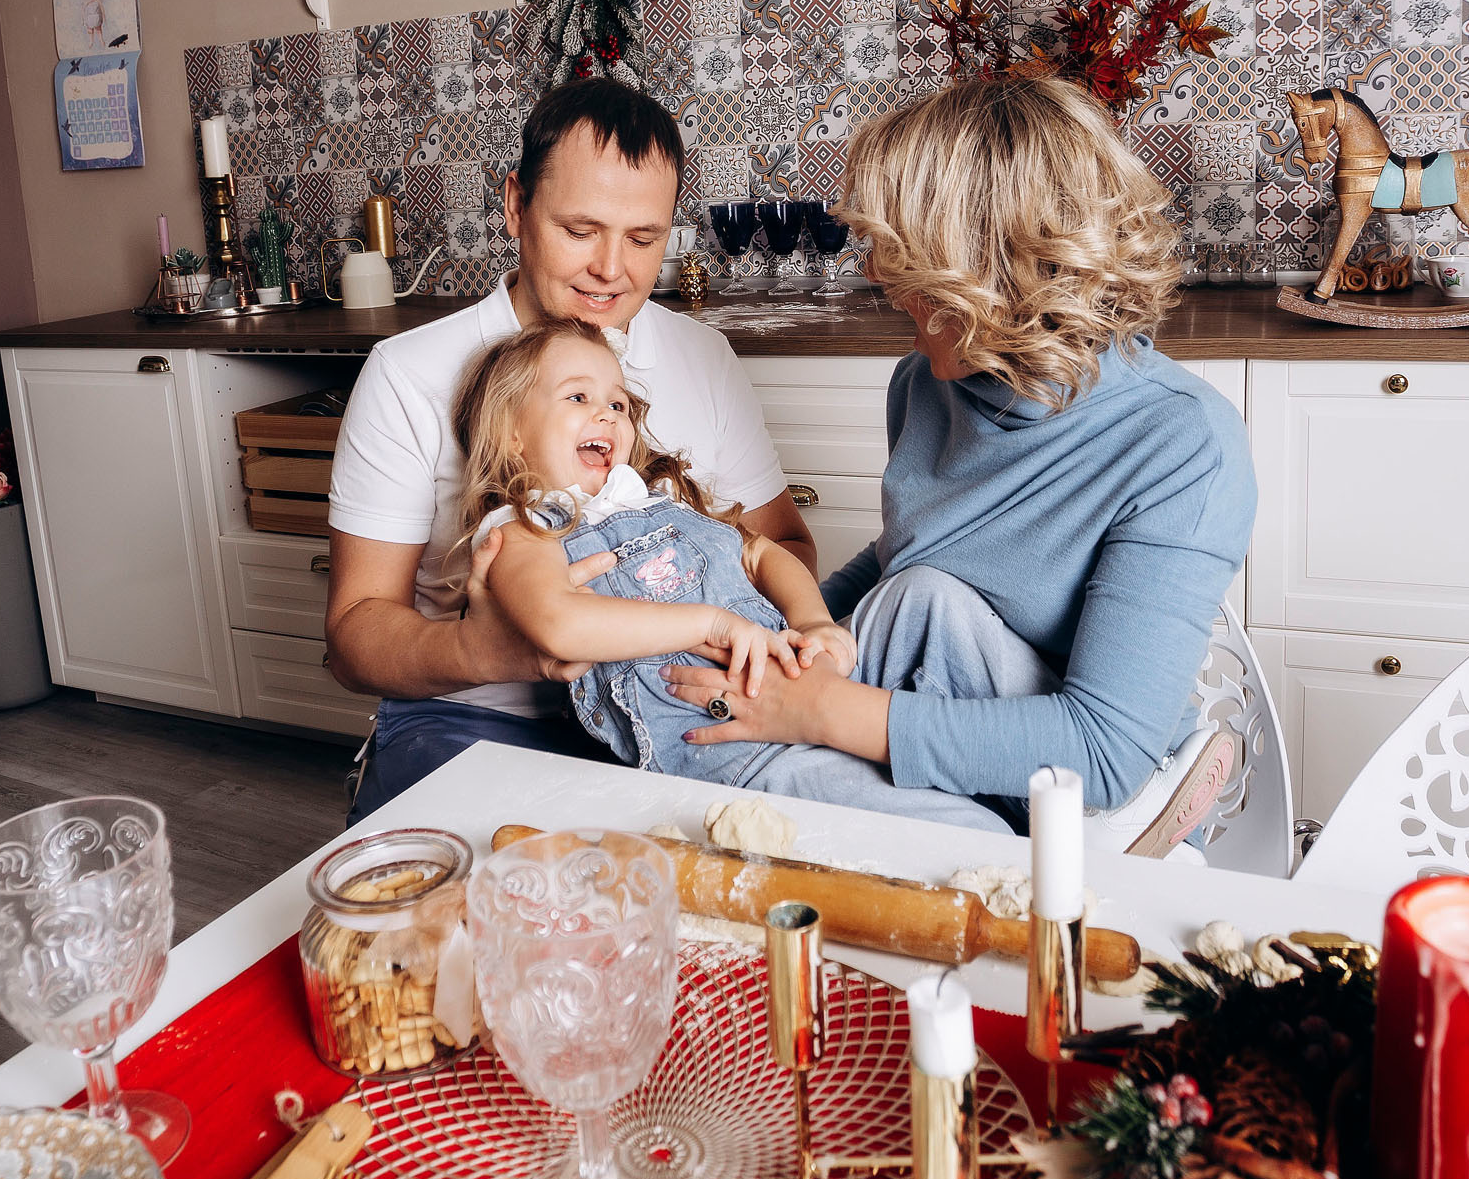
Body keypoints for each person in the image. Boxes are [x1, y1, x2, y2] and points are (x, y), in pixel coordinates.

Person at [664, 75, 1256, 856]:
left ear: (986, 267)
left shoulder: (1181, 443)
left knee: (880, 649)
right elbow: (913, 551)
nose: (876, 273)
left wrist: (817, 711)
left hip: (1086, 779)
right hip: (953, 725)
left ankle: (1115, 833)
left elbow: (1106, 749)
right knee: (906, 608)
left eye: (897, 250)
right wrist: (781, 636)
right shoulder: (925, 383)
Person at [324, 78, 813, 821]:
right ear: (516, 204)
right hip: (476, 722)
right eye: (581, 231)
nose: (611, 269)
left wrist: (718, 639)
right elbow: (354, 635)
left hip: (681, 707)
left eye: (643, 239)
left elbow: (782, 545)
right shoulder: (407, 373)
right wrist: (483, 653)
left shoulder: (703, 356)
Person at [454, 318, 1011, 833]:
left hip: (804, 683)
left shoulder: (658, 500)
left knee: (926, 600)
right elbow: (559, 624)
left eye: (618, 403)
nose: (607, 415)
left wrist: (814, 623)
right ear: (511, 434)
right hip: (739, 755)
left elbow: (763, 555)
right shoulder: (524, 527)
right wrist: (710, 625)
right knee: (970, 829)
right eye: (578, 397)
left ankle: (1034, 790)